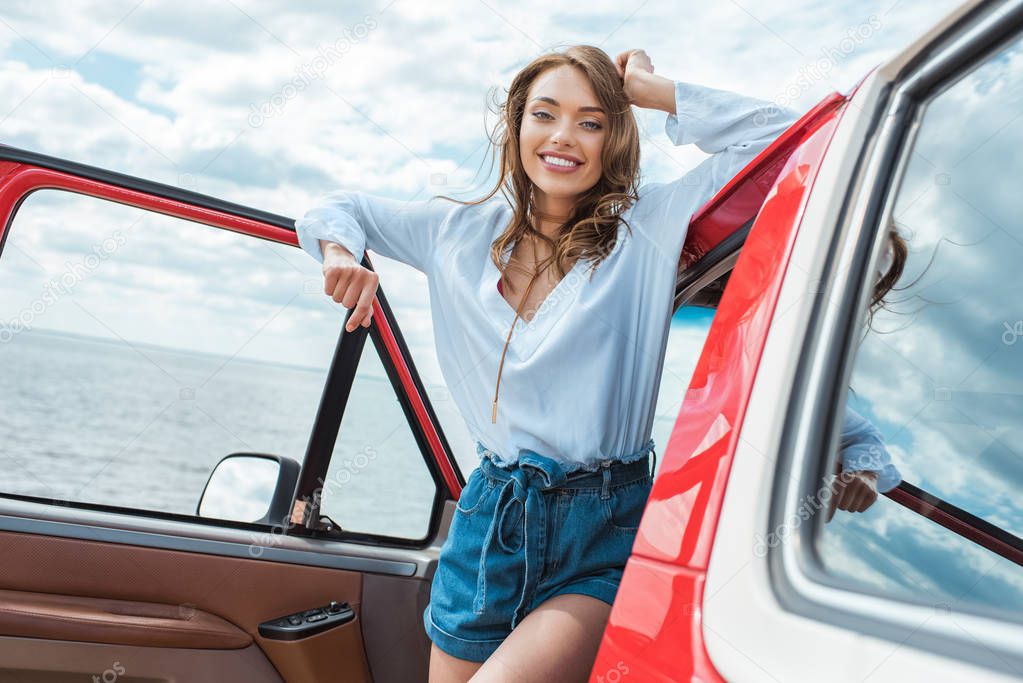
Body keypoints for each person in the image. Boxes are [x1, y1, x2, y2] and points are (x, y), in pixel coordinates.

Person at [295, 45, 801, 683]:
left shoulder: (647, 228)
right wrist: (340, 254)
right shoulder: (454, 231)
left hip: (603, 530)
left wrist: (648, 88)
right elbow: (336, 208)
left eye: (592, 121)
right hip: (490, 528)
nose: (565, 137)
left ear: (615, 138)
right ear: (517, 125)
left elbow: (785, 136)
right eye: (546, 114)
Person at [827, 225, 908, 522]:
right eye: (852, 261)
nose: (853, 285)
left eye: (869, 279)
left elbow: (863, 436)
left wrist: (864, 471)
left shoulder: (813, 374)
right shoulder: (734, 299)